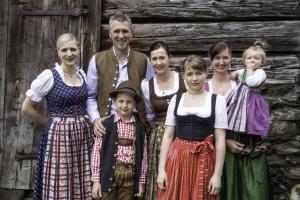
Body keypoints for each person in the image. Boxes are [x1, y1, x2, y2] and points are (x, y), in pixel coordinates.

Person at [21, 33, 94, 199]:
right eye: (64, 50)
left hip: (83, 136)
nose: (69, 53)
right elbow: (26, 107)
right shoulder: (50, 75)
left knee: (81, 176)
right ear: (58, 52)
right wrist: (48, 122)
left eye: (73, 49)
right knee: (61, 178)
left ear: (78, 50)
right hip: (59, 137)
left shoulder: (81, 74)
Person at [156, 55, 227, 200]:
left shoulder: (217, 101)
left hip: (205, 159)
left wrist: (217, 175)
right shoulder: (176, 100)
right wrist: (161, 170)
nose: (194, 78)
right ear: (183, 76)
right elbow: (168, 135)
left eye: (198, 73)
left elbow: (220, 139)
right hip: (177, 160)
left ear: (206, 73)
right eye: (189, 74)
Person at [207, 41, 270, 200]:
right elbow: (204, 123)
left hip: (247, 143)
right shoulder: (206, 88)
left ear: (231, 58)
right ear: (210, 59)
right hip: (221, 147)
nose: (221, 62)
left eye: (225, 58)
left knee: (255, 192)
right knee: (229, 191)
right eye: (217, 58)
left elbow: (256, 109)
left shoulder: (242, 81)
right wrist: (225, 141)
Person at [86, 11, 154, 136]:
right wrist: (95, 120)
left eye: (125, 31)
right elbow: (90, 95)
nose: (121, 35)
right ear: (110, 34)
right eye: (117, 31)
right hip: (106, 126)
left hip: (137, 126)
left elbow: (150, 94)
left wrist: (149, 121)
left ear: (131, 34)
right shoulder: (97, 59)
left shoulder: (144, 60)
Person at [141, 41, 186, 200]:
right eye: (155, 59)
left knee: (182, 178)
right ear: (150, 60)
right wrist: (160, 131)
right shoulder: (147, 86)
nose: (158, 62)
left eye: (162, 57)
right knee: (161, 179)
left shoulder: (183, 79)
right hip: (159, 139)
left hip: (184, 136)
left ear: (170, 58)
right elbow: (149, 115)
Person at [91, 81, 148, 200]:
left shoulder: (140, 128)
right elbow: (96, 152)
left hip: (129, 183)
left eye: (129, 102)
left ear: (135, 104)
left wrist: (141, 182)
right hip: (107, 180)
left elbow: (143, 157)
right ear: (114, 102)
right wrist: (96, 181)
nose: (125, 105)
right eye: (121, 101)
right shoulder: (105, 125)